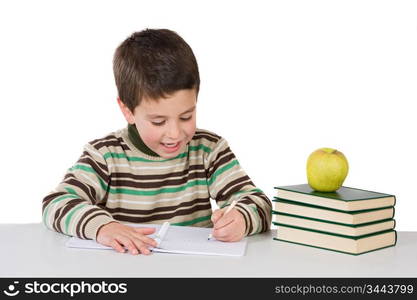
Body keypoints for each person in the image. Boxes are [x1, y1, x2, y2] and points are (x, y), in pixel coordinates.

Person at [42, 28, 272, 255]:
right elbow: (56, 203)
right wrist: (103, 227)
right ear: (127, 110)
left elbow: (258, 203)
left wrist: (241, 217)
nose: (175, 133)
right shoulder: (105, 155)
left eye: (186, 116)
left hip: (193, 273)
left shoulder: (208, 150)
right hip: (123, 273)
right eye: (159, 121)